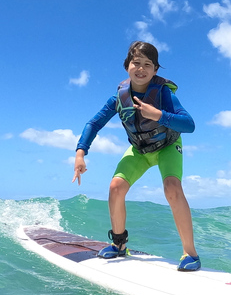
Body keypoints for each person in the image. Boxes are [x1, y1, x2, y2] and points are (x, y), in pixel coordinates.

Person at [72, 41, 200, 271]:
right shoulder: (118, 98)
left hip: (167, 146)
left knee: (172, 187)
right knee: (115, 187)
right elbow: (94, 123)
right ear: (127, 66)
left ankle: (190, 254)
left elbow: (189, 125)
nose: (141, 69)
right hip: (139, 150)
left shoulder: (163, 94)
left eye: (147, 64)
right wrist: (81, 152)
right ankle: (119, 244)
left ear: (155, 70)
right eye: (136, 63)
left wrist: (159, 114)